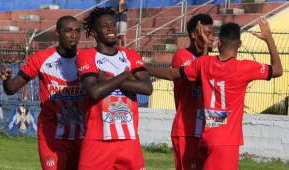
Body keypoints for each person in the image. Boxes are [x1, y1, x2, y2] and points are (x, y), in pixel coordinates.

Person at [150, 17, 282, 170]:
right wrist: (269, 39)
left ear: (219, 43)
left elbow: (173, 73)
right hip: (226, 141)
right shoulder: (245, 67)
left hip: (207, 135)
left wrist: (143, 68)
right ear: (239, 44)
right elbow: (277, 70)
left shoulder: (205, 63)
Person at [0, 16, 85, 170]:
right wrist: (6, 79)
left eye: (78, 31)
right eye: (68, 31)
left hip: (82, 138)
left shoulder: (86, 59)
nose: (74, 35)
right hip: (51, 136)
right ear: (57, 33)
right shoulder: (41, 58)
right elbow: (11, 89)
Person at [77, 7, 152, 170]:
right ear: (95, 33)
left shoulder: (130, 55)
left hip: (129, 140)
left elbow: (147, 88)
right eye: (104, 26)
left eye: (112, 24)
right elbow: (95, 92)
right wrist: (126, 75)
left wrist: (109, 79)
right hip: (97, 139)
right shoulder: (87, 56)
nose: (111, 28)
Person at [147, 13, 214, 170]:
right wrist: (204, 48)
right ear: (194, 35)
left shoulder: (211, 60)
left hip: (206, 130)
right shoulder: (181, 56)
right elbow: (198, 76)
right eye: (207, 33)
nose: (211, 38)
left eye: (213, 34)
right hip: (186, 130)